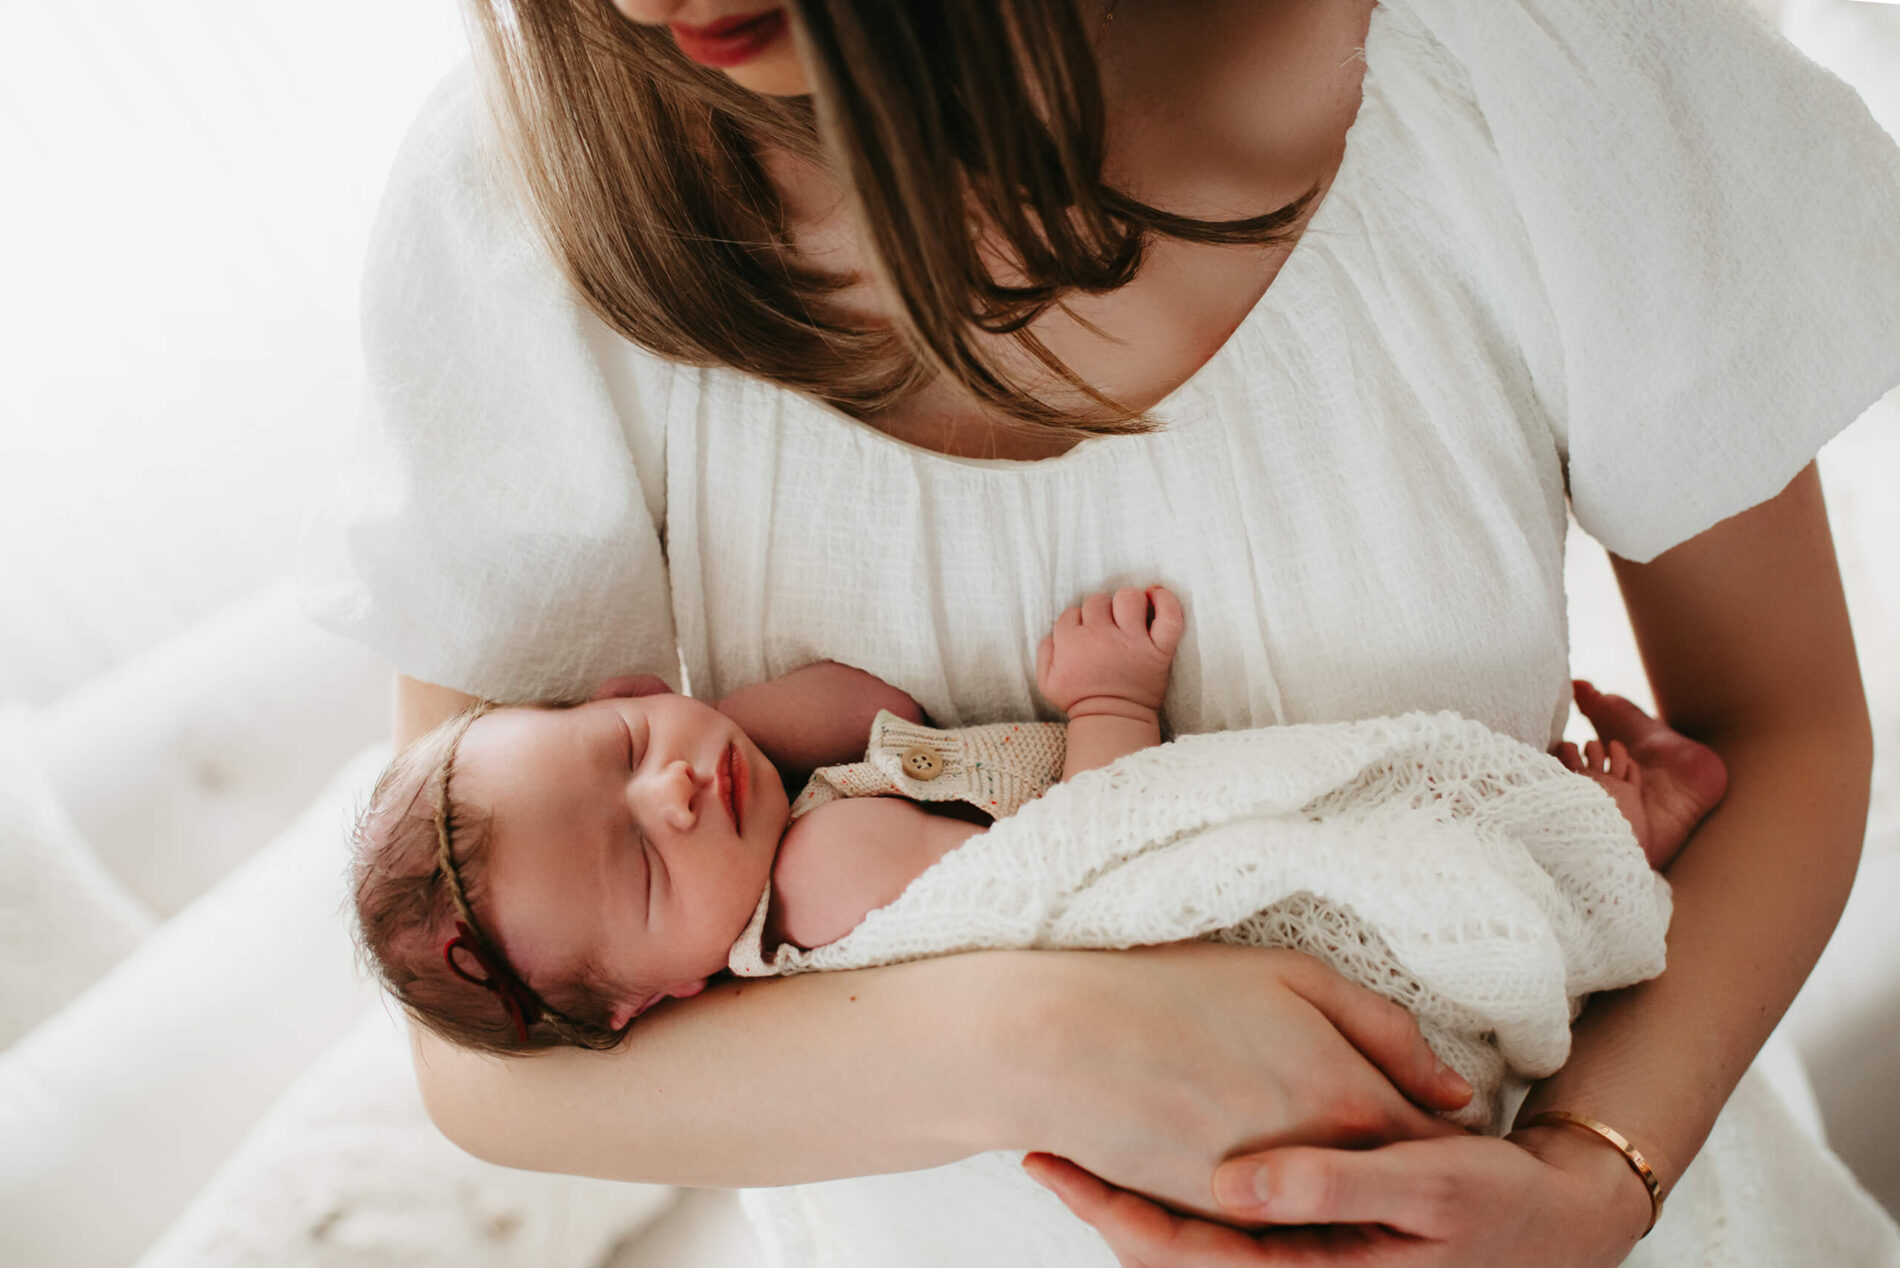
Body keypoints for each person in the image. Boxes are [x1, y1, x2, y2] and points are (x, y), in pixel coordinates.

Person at [301, 0, 1900, 1262]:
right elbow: (492, 1048)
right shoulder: (536, 206)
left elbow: (1784, 733)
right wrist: (1053, 1033)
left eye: (643, 741)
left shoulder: (1528, 61)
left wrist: (1589, 1182)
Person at [350, 583, 1720, 1059]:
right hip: (1208, 901)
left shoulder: (787, 824)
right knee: (1436, 866)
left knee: (1461, 823)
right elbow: (1091, 870)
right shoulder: (827, 877)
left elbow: (865, 703)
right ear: (664, 996)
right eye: (644, 863)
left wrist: (720, 731)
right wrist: (1113, 696)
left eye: (629, 745)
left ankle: (1612, 820)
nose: (675, 791)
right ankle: (1621, 834)